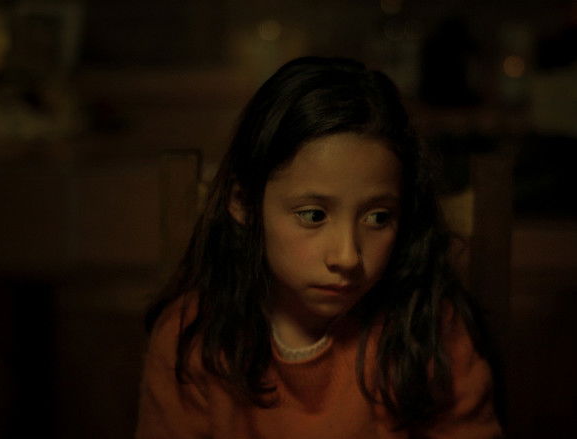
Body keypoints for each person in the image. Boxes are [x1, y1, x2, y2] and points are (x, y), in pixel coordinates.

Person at [136, 56, 502, 438]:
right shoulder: (192, 338)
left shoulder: (427, 328)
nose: (347, 257)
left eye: (378, 218)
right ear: (244, 203)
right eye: (313, 216)